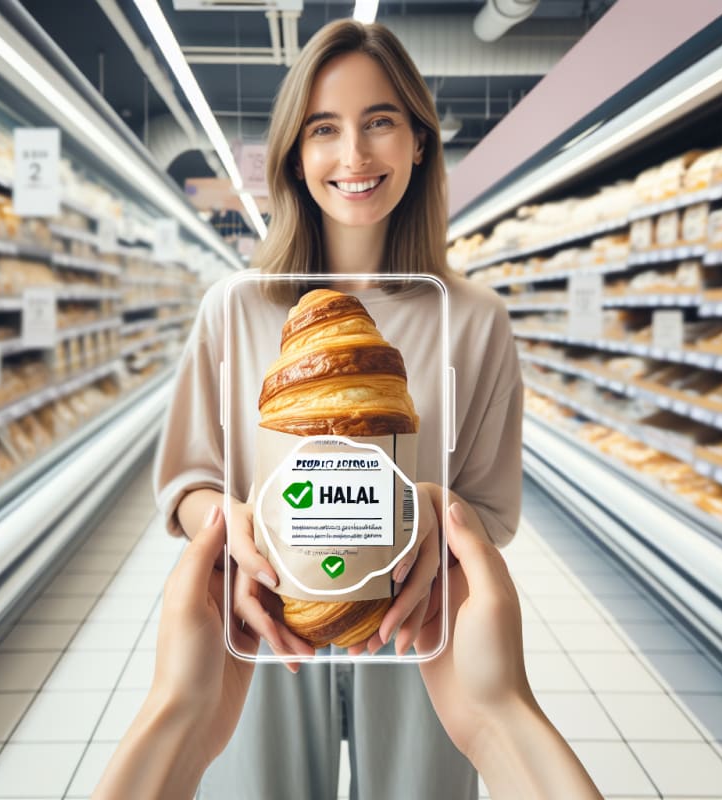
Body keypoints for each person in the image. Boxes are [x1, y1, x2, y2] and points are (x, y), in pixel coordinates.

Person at [153, 18, 524, 799]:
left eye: (380, 123)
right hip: (268, 626)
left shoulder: (477, 317)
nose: (353, 156)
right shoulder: (236, 308)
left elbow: (491, 507)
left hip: (421, 627)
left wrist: (439, 516)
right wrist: (233, 530)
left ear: (419, 142)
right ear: (295, 154)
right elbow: (186, 483)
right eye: (325, 129)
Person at [92, 505, 604, 800]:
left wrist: (180, 716)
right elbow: (191, 473)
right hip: (277, 602)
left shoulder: (472, 317)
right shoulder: (227, 316)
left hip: (410, 602)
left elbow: (492, 503)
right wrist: (499, 718)